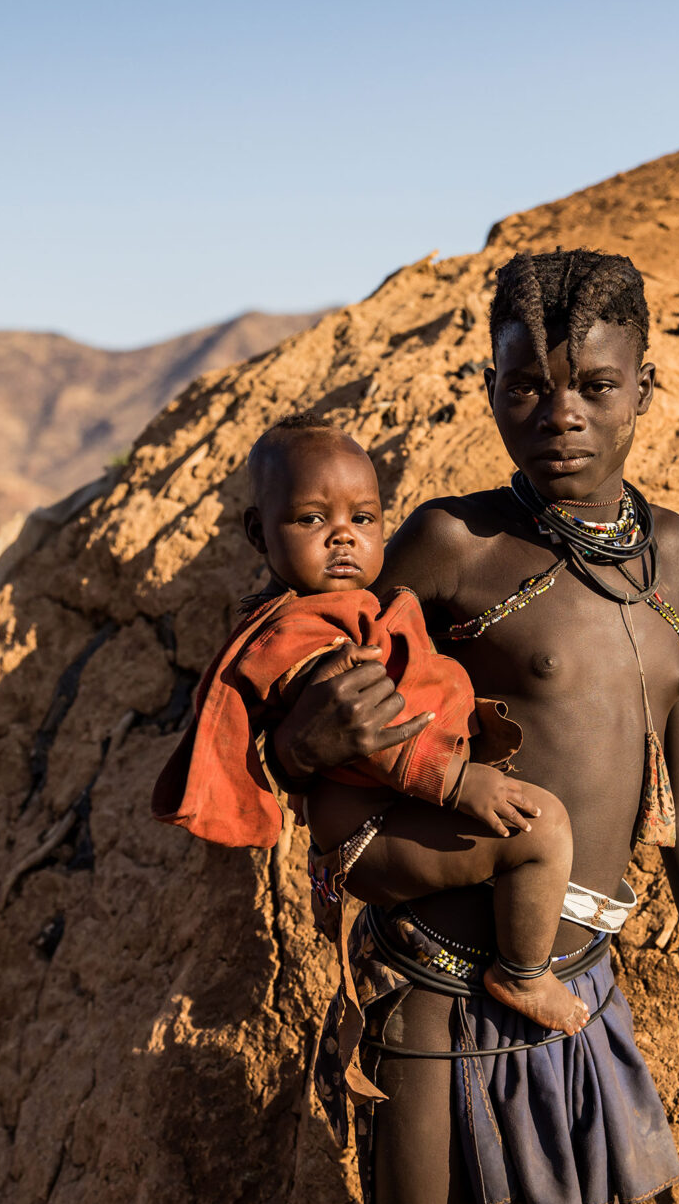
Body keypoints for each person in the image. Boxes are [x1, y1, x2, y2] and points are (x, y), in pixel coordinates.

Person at [275, 250, 679, 1204]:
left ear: (645, 385)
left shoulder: (671, 552)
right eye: (528, 387)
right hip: (436, 996)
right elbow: (305, 692)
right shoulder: (453, 544)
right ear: (489, 390)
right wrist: (303, 746)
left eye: (598, 386)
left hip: (579, 998)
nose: (563, 415)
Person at [151, 413, 595, 1036]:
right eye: (312, 520)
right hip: (372, 832)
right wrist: (460, 782)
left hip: (392, 813)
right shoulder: (301, 631)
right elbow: (374, 732)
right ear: (258, 532)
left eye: (362, 519)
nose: (342, 538)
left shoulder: (350, 608)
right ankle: (523, 973)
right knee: (541, 829)